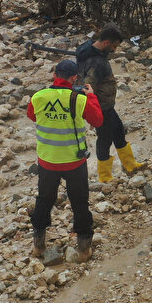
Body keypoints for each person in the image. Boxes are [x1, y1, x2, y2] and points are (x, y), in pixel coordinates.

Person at [27, 59, 103, 262]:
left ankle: (39, 245)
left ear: (55, 75)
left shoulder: (39, 97)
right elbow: (97, 120)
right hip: (74, 162)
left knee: (44, 199)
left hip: (48, 161)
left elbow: (32, 116)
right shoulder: (79, 99)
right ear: (74, 78)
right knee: (79, 202)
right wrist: (92, 97)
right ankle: (84, 249)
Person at [76, 25, 143, 182]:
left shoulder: (88, 48)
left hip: (106, 106)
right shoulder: (97, 63)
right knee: (105, 139)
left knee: (118, 131)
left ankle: (130, 165)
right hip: (101, 107)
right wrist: (92, 113)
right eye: (114, 46)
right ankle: (105, 176)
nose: (114, 50)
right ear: (106, 42)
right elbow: (88, 87)